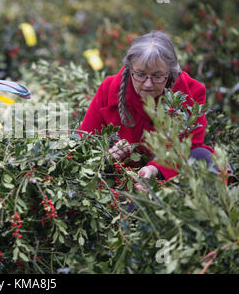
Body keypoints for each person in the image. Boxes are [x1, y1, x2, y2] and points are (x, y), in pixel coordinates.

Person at [78, 30, 216, 192]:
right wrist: (107, 157)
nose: (148, 84)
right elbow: (84, 144)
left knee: (201, 156)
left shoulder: (192, 92)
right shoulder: (109, 90)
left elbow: (191, 145)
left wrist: (155, 169)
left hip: (170, 176)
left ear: (170, 72)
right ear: (130, 69)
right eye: (140, 75)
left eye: (158, 76)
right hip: (122, 182)